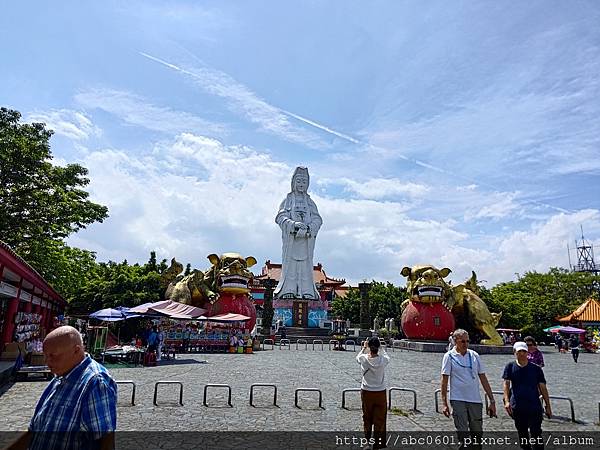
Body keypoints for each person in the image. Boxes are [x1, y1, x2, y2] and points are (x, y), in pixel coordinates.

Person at [8, 326, 117, 450]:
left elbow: (106, 440)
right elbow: (34, 430)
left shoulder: (95, 382)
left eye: (53, 356)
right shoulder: (60, 376)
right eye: (45, 356)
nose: (47, 362)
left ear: (76, 351)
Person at [441, 329, 496, 450]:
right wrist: (444, 403)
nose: (466, 344)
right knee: (463, 432)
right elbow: (444, 381)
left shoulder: (474, 355)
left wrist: (492, 400)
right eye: (462, 341)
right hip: (457, 398)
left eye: (467, 341)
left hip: (475, 399)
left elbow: (483, 378)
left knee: (477, 433)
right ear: (455, 341)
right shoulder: (449, 356)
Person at [274, 166, 322, 299]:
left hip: (306, 241)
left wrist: (309, 228)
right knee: (291, 265)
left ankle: (307, 292)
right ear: (293, 182)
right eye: (299, 181)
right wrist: (294, 225)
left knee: (306, 267)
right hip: (292, 240)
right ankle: (288, 290)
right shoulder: (288, 200)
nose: (301, 184)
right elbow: (280, 217)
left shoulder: (310, 202)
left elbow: (318, 219)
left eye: (304, 182)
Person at [503, 342, 552, 450]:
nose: (521, 354)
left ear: (527, 352)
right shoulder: (510, 366)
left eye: (524, 351)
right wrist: (506, 401)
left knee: (536, 433)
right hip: (517, 405)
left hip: (534, 405)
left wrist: (548, 405)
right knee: (522, 433)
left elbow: (542, 387)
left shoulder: (536, 369)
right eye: (519, 351)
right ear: (514, 352)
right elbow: (506, 384)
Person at [357, 337, 390, 450]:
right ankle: (378, 443)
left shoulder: (364, 358)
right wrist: (381, 348)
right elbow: (387, 356)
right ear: (378, 347)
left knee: (367, 417)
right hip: (380, 392)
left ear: (369, 347)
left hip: (366, 391)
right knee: (380, 418)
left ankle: (367, 441)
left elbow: (357, 357)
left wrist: (364, 347)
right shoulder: (382, 360)